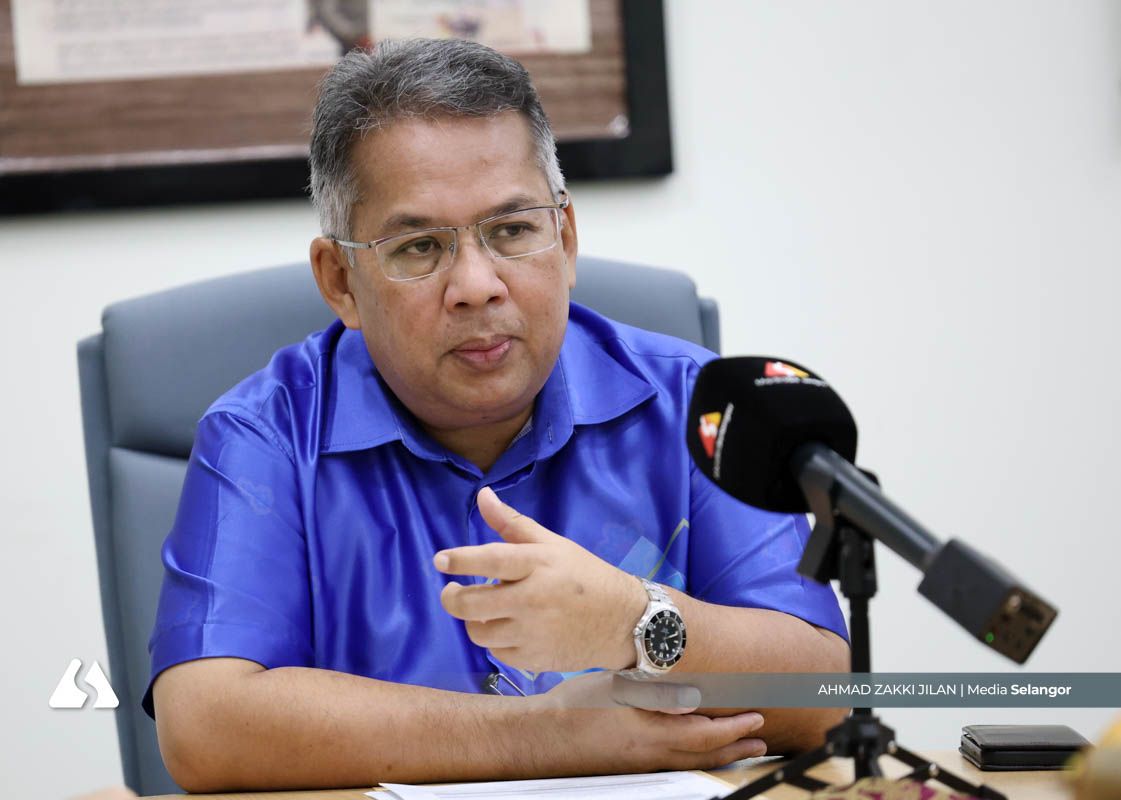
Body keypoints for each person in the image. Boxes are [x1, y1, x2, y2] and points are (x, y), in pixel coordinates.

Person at [148, 38, 850, 792]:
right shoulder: (267, 435)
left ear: (565, 239)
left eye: (512, 230)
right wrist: (551, 736)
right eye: (419, 247)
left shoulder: (695, 403)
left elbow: (826, 696)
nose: (476, 285)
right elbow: (204, 725)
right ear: (341, 280)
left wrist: (635, 620)